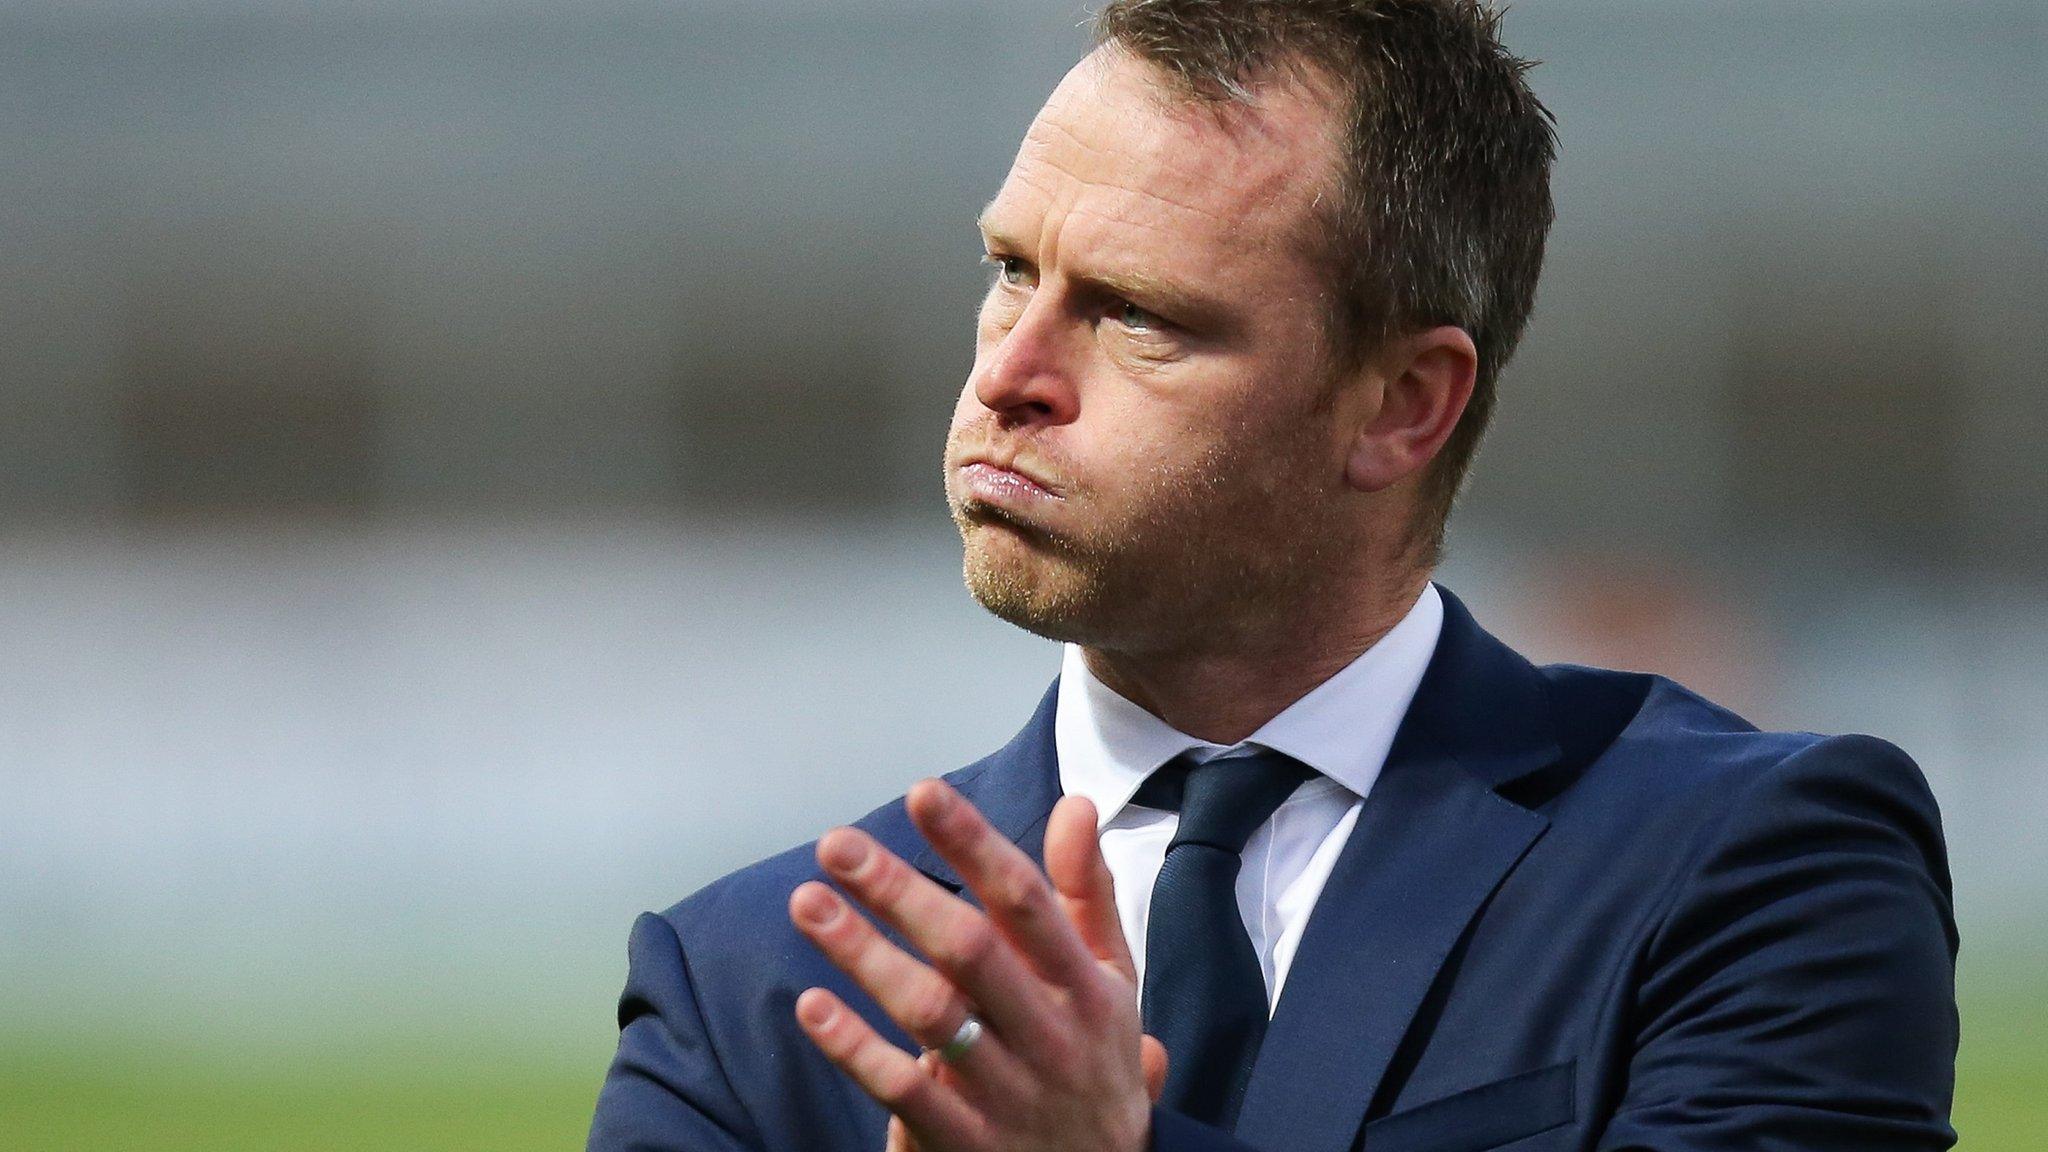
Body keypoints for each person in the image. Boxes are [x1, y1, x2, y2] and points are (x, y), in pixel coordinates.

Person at [587, 2, 1959, 1149]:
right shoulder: (756, 989)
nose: (1009, 374)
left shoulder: (1751, 869)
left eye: (1136, 314)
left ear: (1401, 406)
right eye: (1012, 270)